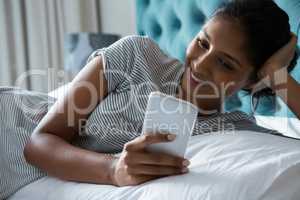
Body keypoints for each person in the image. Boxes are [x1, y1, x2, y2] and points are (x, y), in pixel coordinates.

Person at [0, 0, 299, 199]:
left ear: (252, 80)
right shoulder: (136, 54)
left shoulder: (236, 130)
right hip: (9, 123)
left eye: (226, 64)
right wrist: (112, 170)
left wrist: (279, 76)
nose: (201, 64)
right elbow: (39, 144)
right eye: (203, 43)